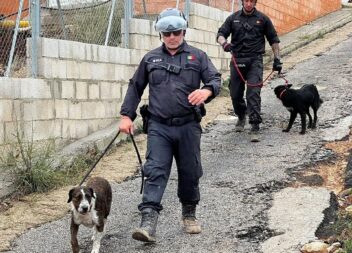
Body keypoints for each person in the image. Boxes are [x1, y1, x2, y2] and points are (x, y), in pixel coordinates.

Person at [119, 8, 221, 243]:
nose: (172, 37)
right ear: (161, 35)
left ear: (183, 31)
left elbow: (215, 79)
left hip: (188, 126)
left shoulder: (198, 56)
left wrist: (206, 90)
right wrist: (126, 116)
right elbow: (135, 87)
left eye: (175, 32)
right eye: (167, 33)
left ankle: (189, 214)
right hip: (159, 126)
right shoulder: (150, 59)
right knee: (154, 170)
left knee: (190, 171)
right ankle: (148, 223)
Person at [217, 0, 282, 142]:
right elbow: (221, 34)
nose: (248, 4)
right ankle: (241, 116)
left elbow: (273, 39)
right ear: (242, 2)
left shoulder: (263, 19)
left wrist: (277, 59)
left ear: (255, 2)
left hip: (255, 60)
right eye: (246, 1)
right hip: (237, 59)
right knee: (235, 93)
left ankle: (254, 125)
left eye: (251, 1)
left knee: (253, 92)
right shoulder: (233, 18)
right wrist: (225, 44)